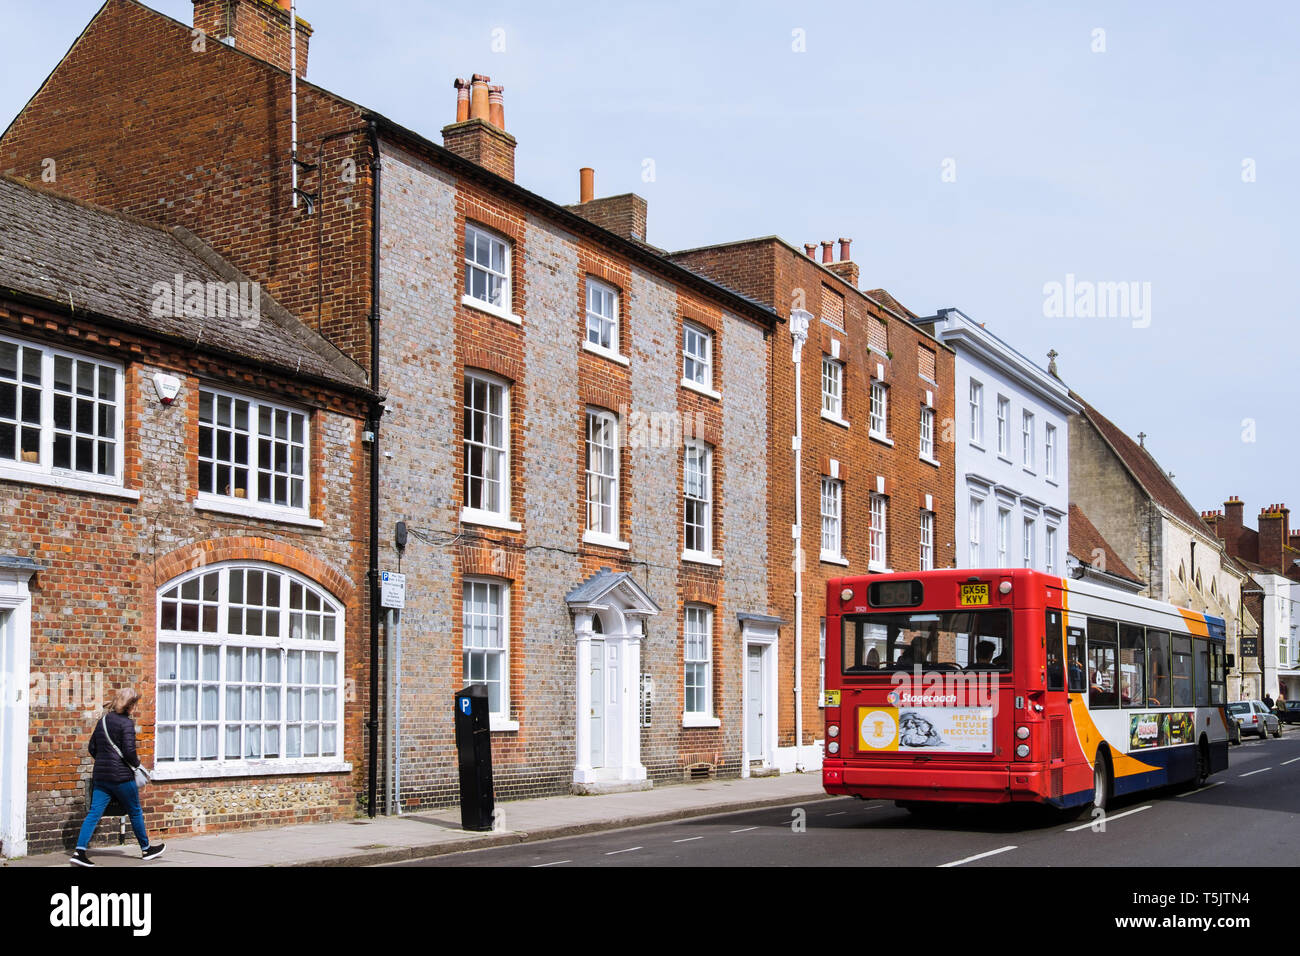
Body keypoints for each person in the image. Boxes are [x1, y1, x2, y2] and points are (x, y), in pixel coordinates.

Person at [71, 687, 165, 867]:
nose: (135, 708)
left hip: (101, 777)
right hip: (122, 778)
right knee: (135, 811)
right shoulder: (126, 724)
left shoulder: (103, 721)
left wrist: (105, 762)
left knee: (94, 814)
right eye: (134, 704)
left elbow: (92, 748)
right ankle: (146, 849)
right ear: (129, 705)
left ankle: (79, 852)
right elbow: (129, 752)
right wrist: (137, 766)